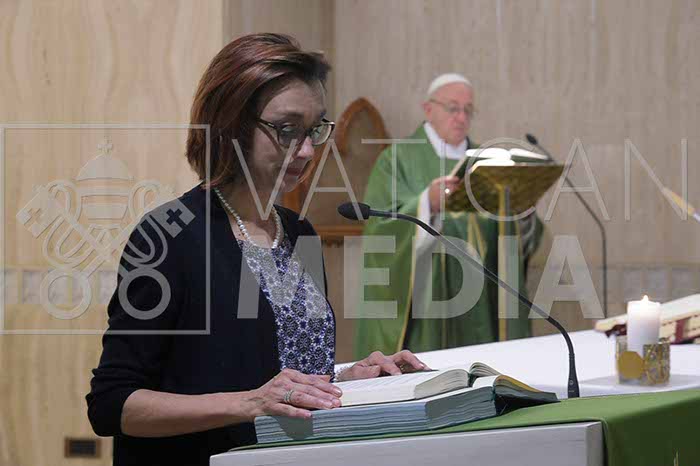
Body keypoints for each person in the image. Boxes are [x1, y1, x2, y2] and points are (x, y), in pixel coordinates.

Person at [86, 33, 425, 466]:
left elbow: (276, 371)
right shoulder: (168, 236)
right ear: (231, 126)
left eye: (314, 130)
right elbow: (112, 404)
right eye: (287, 130)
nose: (307, 151)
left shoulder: (299, 232)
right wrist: (248, 403)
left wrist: (345, 380)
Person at [354, 73, 542, 359]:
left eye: (468, 110)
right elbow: (379, 227)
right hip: (428, 300)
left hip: (481, 296)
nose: (461, 117)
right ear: (428, 109)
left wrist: (521, 211)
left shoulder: (489, 163)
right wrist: (425, 204)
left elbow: (511, 236)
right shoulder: (398, 159)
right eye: (453, 108)